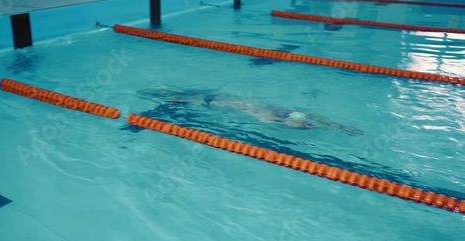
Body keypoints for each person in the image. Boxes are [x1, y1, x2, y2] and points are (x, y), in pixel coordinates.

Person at [136, 87, 363, 135]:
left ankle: (149, 92)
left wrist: (339, 126)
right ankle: (150, 93)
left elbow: (310, 118)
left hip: (215, 99)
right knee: (172, 98)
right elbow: (309, 119)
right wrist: (338, 126)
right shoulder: (269, 118)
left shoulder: (278, 112)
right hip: (209, 102)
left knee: (171, 96)